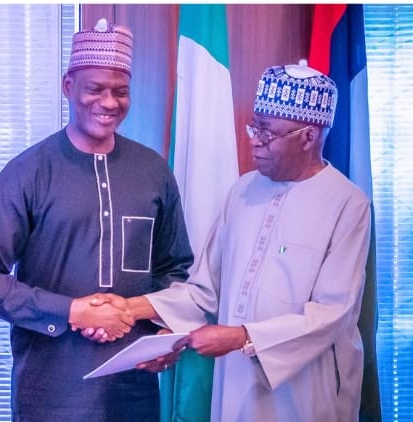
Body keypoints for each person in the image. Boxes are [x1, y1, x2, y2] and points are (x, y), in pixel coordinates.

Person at [0, 19, 193, 421]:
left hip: (133, 390)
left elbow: (175, 270)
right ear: (68, 86)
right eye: (95, 89)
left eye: (120, 91)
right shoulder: (28, 172)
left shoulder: (153, 171)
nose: (109, 102)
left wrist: (166, 333)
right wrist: (71, 311)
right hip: (51, 391)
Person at [108, 62, 371, 421]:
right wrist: (130, 308)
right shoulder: (243, 190)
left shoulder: (347, 204)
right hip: (234, 379)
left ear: (308, 137)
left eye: (267, 132)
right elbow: (206, 292)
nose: (254, 140)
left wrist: (243, 336)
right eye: (254, 127)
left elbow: (331, 314)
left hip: (305, 388)